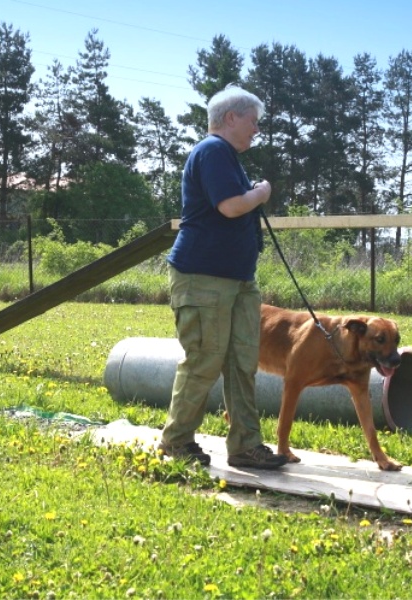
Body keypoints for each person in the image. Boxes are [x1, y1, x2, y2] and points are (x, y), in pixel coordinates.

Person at [159, 85, 287, 470]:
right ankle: (176, 442)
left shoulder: (227, 157)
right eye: (253, 121)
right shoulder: (212, 150)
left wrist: (252, 192)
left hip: (237, 280)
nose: (257, 130)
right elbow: (231, 206)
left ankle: (246, 446)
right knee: (204, 360)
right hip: (202, 278)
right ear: (231, 118)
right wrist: (261, 193)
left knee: (242, 361)